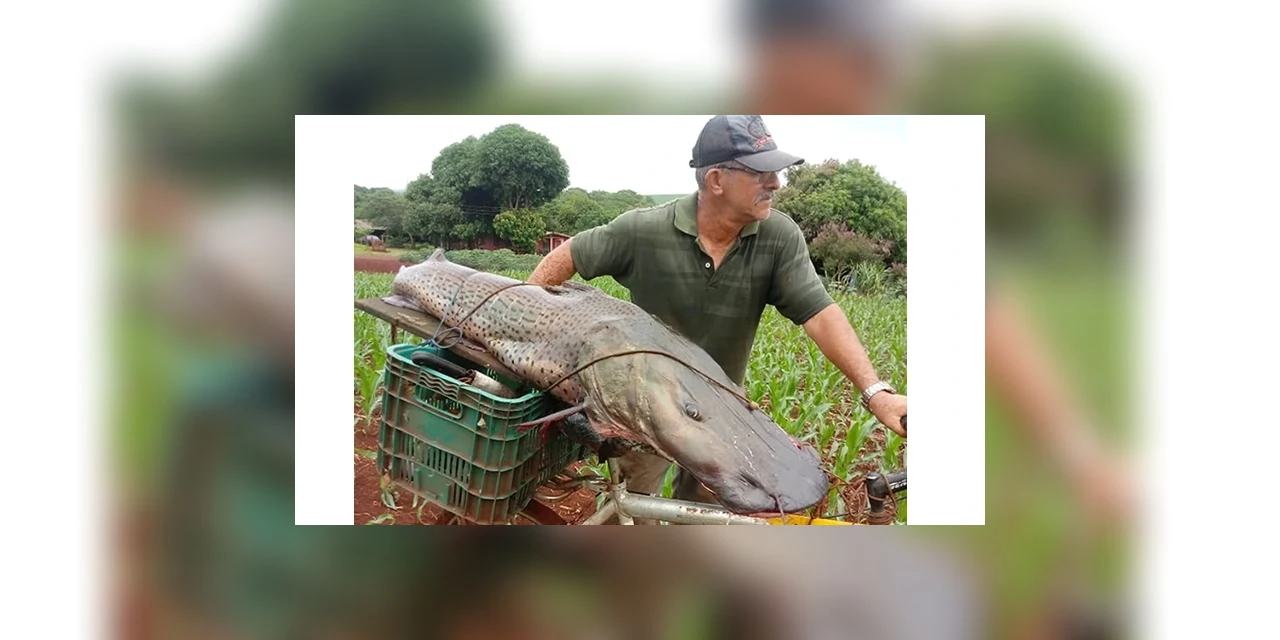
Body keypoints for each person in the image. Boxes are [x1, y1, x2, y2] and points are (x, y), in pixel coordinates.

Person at [527, 115, 908, 508]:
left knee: (708, 513)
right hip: (644, 409)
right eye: (762, 173)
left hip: (721, 416)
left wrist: (875, 392)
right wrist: (529, 316)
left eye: (775, 172)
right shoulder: (644, 230)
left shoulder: (778, 237)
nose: (775, 183)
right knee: (636, 504)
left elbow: (820, 313)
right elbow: (569, 254)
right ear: (716, 180)